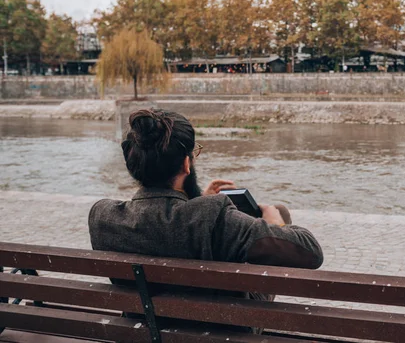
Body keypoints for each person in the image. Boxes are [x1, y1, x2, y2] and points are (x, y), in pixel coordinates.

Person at [88, 109, 323, 332]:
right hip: (221, 331)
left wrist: (198, 200)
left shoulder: (103, 217)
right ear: (186, 164)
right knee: (278, 212)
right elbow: (310, 252)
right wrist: (275, 223)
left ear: (134, 167)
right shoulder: (215, 217)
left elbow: (163, 224)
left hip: (145, 328)